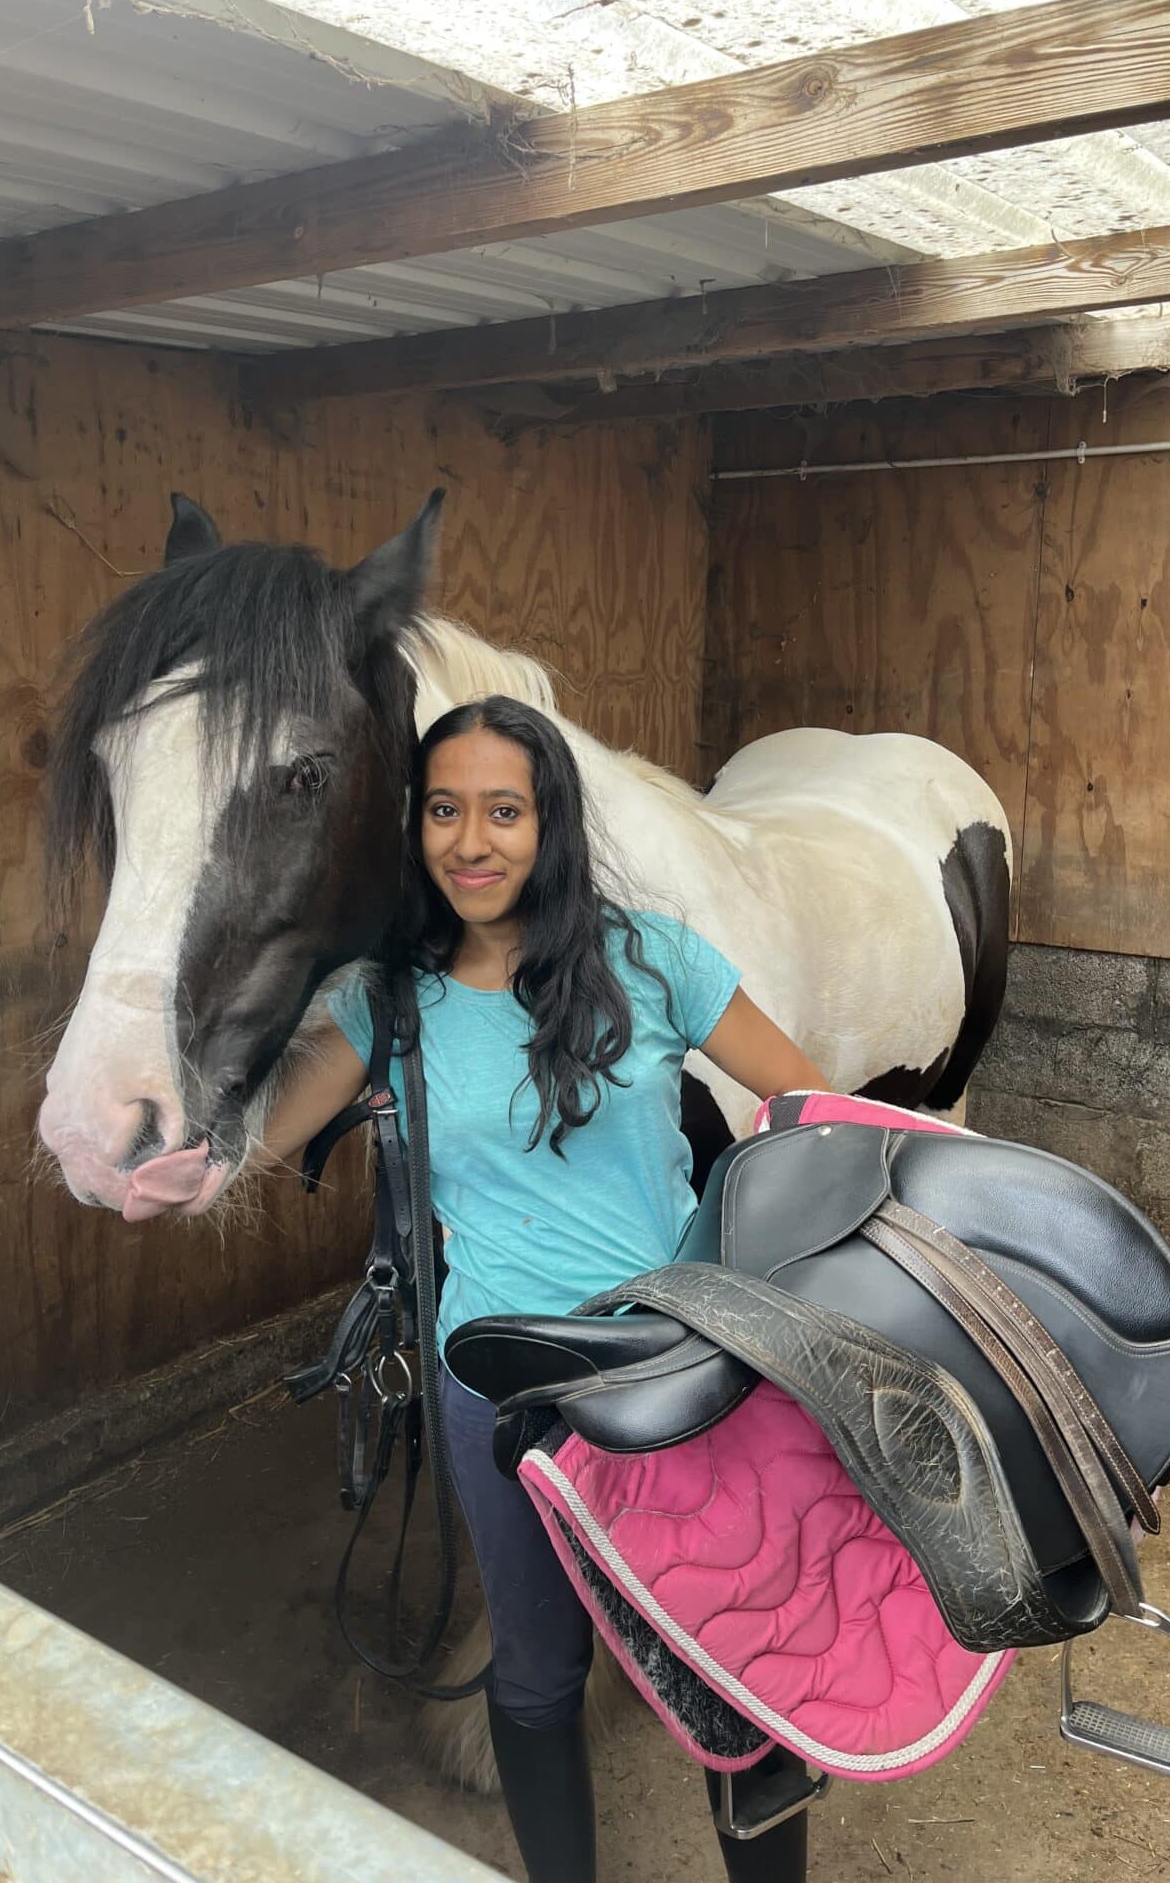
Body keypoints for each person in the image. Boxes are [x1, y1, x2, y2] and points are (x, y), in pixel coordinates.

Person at [261, 694, 832, 1883]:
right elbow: (258, 1137)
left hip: (676, 1370)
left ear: (550, 822)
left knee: (726, 1659)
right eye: (444, 811)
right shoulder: (389, 1000)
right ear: (413, 828)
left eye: (504, 811)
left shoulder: (654, 959)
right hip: (500, 1382)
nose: (473, 841)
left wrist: (758, 1278)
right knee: (534, 1671)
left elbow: (808, 1111)